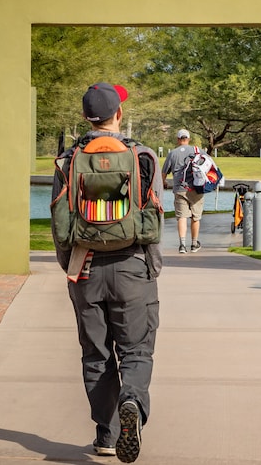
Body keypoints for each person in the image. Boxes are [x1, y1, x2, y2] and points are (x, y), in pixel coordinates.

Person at [52, 82, 163, 463]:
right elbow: (155, 212)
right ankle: (131, 401)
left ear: (86, 117)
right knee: (136, 348)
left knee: (96, 354)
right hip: (133, 265)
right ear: (118, 114)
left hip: (84, 267)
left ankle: (106, 433)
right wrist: (150, 267)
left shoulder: (68, 160)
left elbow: (59, 222)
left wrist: (70, 264)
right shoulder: (143, 156)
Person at [161, 129, 204, 253]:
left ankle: (182, 245)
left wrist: (163, 183)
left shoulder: (172, 153)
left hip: (179, 189)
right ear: (189, 139)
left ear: (178, 139)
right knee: (196, 217)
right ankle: (194, 244)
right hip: (197, 188)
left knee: (181, 217)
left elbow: (164, 173)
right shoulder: (197, 151)